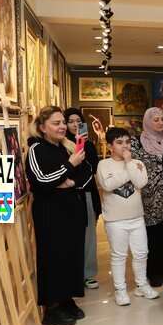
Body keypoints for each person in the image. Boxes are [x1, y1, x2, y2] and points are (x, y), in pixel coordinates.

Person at [26, 106, 93, 325]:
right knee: (53, 257)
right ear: (42, 127)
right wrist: (69, 165)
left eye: (63, 122)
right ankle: (52, 307)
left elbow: (87, 173)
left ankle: (67, 299)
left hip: (72, 211)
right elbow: (41, 181)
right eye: (56, 123)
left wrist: (70, 182)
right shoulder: (36, 149)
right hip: (50, 214)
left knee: (72, 255)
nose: (63, 126)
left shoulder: (68, 146)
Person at [96, 128, 160, 305]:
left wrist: (129, 163)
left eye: (127, 142)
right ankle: (120, 290)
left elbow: (141, 182)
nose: (125, 146)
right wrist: (128, 169)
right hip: (115, 219)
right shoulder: (104, 165)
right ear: (110, 146)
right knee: (119, 255)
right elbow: (108, 185)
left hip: (137, 216)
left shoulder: (137, 163)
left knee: (141, 253)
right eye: (119, 142)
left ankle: (142, 285)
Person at [130, 107, 163, 287]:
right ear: (147, 121)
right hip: (148, 197)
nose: (160, 123)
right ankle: (154, 272)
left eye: (162, 119)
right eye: (156, 120)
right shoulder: (137, 143)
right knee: (153, 237)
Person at [64, 108, 102, 291]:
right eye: (70, 121)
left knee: (88, 236)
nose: (75, 125)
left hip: (87, 192)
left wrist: (85, 145)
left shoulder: (89, 144)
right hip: (67, 194)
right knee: (70, 235)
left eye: (78, 121)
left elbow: (93, 167)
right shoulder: (61, 144)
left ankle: (88, 274)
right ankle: (72, 273)